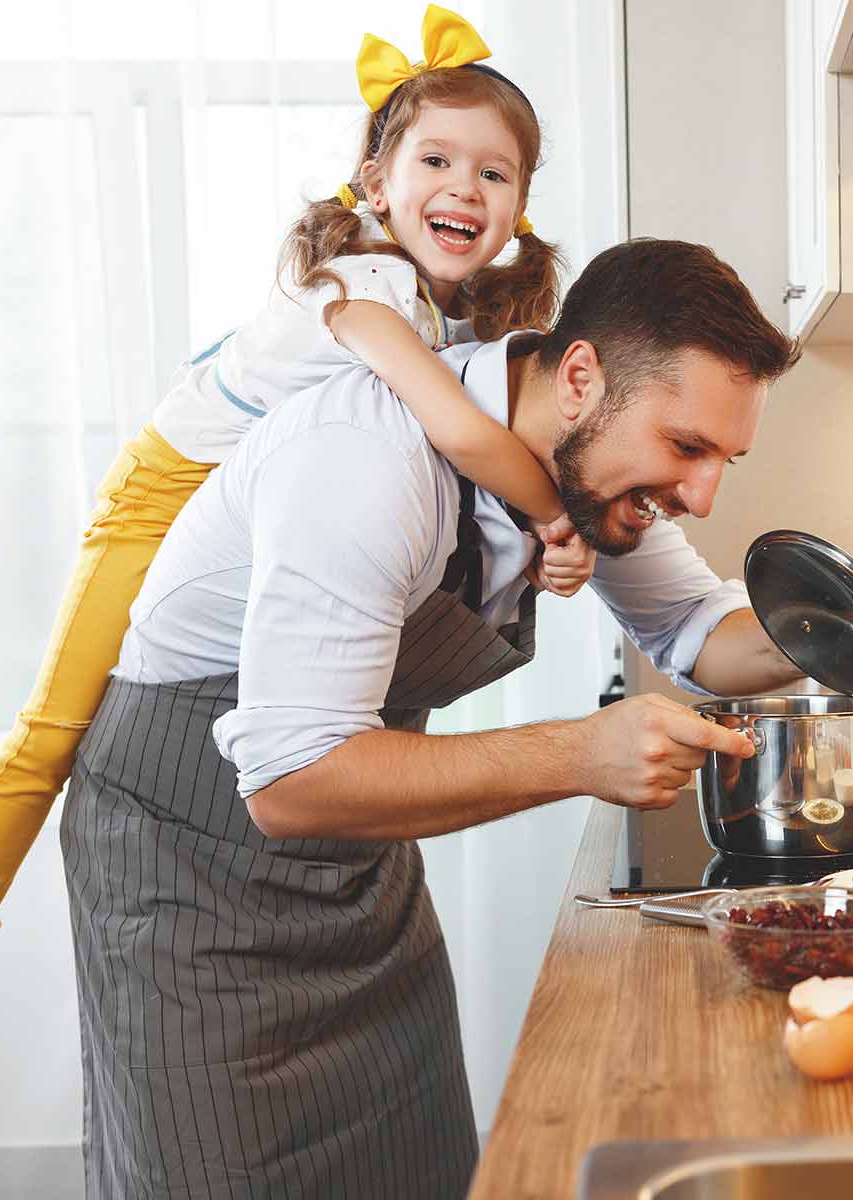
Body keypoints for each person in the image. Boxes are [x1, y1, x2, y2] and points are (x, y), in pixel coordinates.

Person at [0, 4, 591, 1100]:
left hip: (241, 509)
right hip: (164, 491)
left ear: (518, 208)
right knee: (55, 727)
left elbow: (460, 475)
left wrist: (539, 548)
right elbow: (462, 436)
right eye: (436, 159)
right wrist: (562, 517)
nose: (465, 187)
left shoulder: (457, 323)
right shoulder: (365, 285)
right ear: (373, 179)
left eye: (495, 173)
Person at [61, 233, 803, 1197]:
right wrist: (581, 754)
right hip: (188, 875)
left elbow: (702, 632)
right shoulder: (367, 460)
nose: (701, 494)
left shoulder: (579, 470)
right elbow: (291, 783)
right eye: (686, 447)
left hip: (357, 870)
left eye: (722, 458)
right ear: (580, 375)